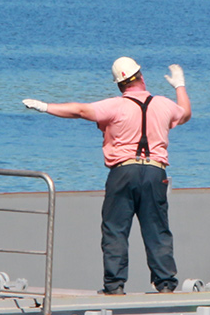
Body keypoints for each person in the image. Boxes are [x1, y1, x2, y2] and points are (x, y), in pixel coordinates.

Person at [22, 57, 190, 295]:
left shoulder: (114, 106)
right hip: (155, 172)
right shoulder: (164, 104)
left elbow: (80, 110)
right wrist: (179, 85)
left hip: (123, 171)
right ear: (141, 77)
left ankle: (115, 286)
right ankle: (164, 284)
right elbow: (185, 114)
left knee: (115, 229)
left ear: (120, 85)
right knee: (157, 229)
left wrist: (45, 106)